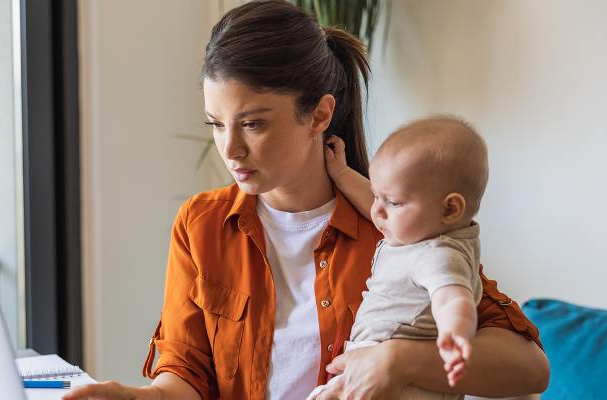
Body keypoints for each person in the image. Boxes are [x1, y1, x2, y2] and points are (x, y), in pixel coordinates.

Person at [63, 1, 549, 400]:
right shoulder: (201, 223)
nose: (229, 149)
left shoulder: (396, 224)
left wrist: (395, 361)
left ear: (319, 114)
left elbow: (529, 367)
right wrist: (137, 396)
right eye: (216, 124)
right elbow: (185, 376)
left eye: (252, 123)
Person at [308, 116, 490, 400]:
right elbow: (375, 204)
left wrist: (456, 331)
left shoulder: (437, 254)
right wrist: (342, 173)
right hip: (380, 365)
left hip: (405, 384)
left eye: (393, 202)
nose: (377, 211)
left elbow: (452, 297)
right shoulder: (422, 231)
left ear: (450, 209)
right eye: (375, 195)